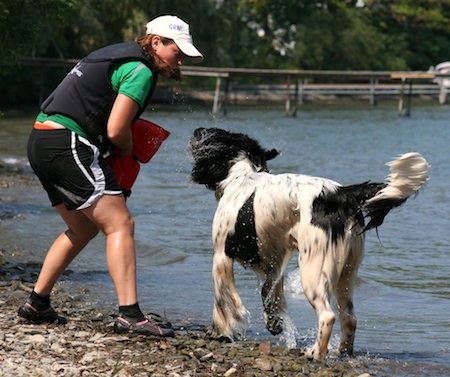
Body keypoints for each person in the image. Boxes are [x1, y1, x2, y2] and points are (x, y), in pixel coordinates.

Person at [18, 15, 203, 337]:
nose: (180, 62)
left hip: (42, 140)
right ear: (156, 42)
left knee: (82, 227)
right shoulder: (141, 70)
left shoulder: (115, 55)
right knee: (120, 224)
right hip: (67, 142)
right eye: (178, 53)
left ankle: (37, 303)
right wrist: (127, 150)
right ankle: (129, 315)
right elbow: (117, 130)